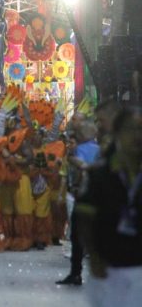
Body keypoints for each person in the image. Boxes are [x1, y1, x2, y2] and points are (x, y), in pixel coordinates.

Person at [77, 106, 142, 307]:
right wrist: (94, 256)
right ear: (118, 134)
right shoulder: (100, 175)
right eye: (131, 130)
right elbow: (84, 218)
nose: (137, 136)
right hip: (109, 270)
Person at [57, 119, 101, 286]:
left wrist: (75, 186)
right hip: (99, 197)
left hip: (83, 196)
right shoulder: (101, 149)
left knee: (77, 236)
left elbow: (79, 171)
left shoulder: (79, 150)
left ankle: (76, 273)